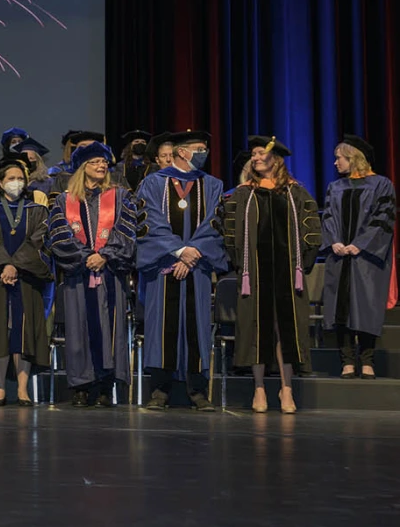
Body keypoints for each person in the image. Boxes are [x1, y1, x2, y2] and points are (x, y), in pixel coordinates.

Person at [219, 136, 320, 413]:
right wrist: (240, 264)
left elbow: (311, 229)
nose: (255, 157)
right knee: (256, 330)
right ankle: (260, 388)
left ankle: (286, 390)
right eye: (253, 153)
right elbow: (230, 233)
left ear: (275, 158)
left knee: (284, 331)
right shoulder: (243, 194)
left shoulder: (295, 193)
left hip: (287, 275)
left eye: (261, 152)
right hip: (255, 274)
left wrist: (305, 261)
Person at [136, 131, 227, 411]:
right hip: (163, 268)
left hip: (197, 269)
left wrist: (191, 255)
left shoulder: (212, 185)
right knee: (161, 327)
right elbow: (149, 220)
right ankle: (160, 391)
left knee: (196, 326)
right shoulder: (152, 184)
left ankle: (197, 391)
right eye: (199, 149)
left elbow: (215, 222)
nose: (205, 153)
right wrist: (177, 251)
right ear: (182, 152)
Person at [47, 142, 138, 407]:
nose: (101, 166)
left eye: (103, 162)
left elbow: (127, 229)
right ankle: (81, 386)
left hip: (110, 274)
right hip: (79, 275)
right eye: (94, 162)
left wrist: (106, 254)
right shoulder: (64, 200)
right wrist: (85, 256)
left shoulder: (120, 197)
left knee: (111, 330)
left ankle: (105, 386)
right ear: (81, 168)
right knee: (79, 330)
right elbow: (58, 234)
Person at [0, 157, 53, 406]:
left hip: (27, 280)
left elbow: (40, 240)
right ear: (0, 182)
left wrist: (15, 265)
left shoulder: (38, 211)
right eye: (11, 179)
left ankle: (23, 389)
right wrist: (4, 265)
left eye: (20, 179)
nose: (16, 183)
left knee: (24, 334)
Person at [320, 134, 395, 379]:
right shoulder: (335, 187)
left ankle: (367, 359)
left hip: (367, 258)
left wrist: (360, 245)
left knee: (367, 306)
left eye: (339, 158)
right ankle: (347, 360)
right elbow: (328, 217)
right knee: (340, 307)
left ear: (353, 158)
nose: (335, 163)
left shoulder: (382, 184)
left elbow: (383, 218)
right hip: (340, 255)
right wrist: (334, 242)